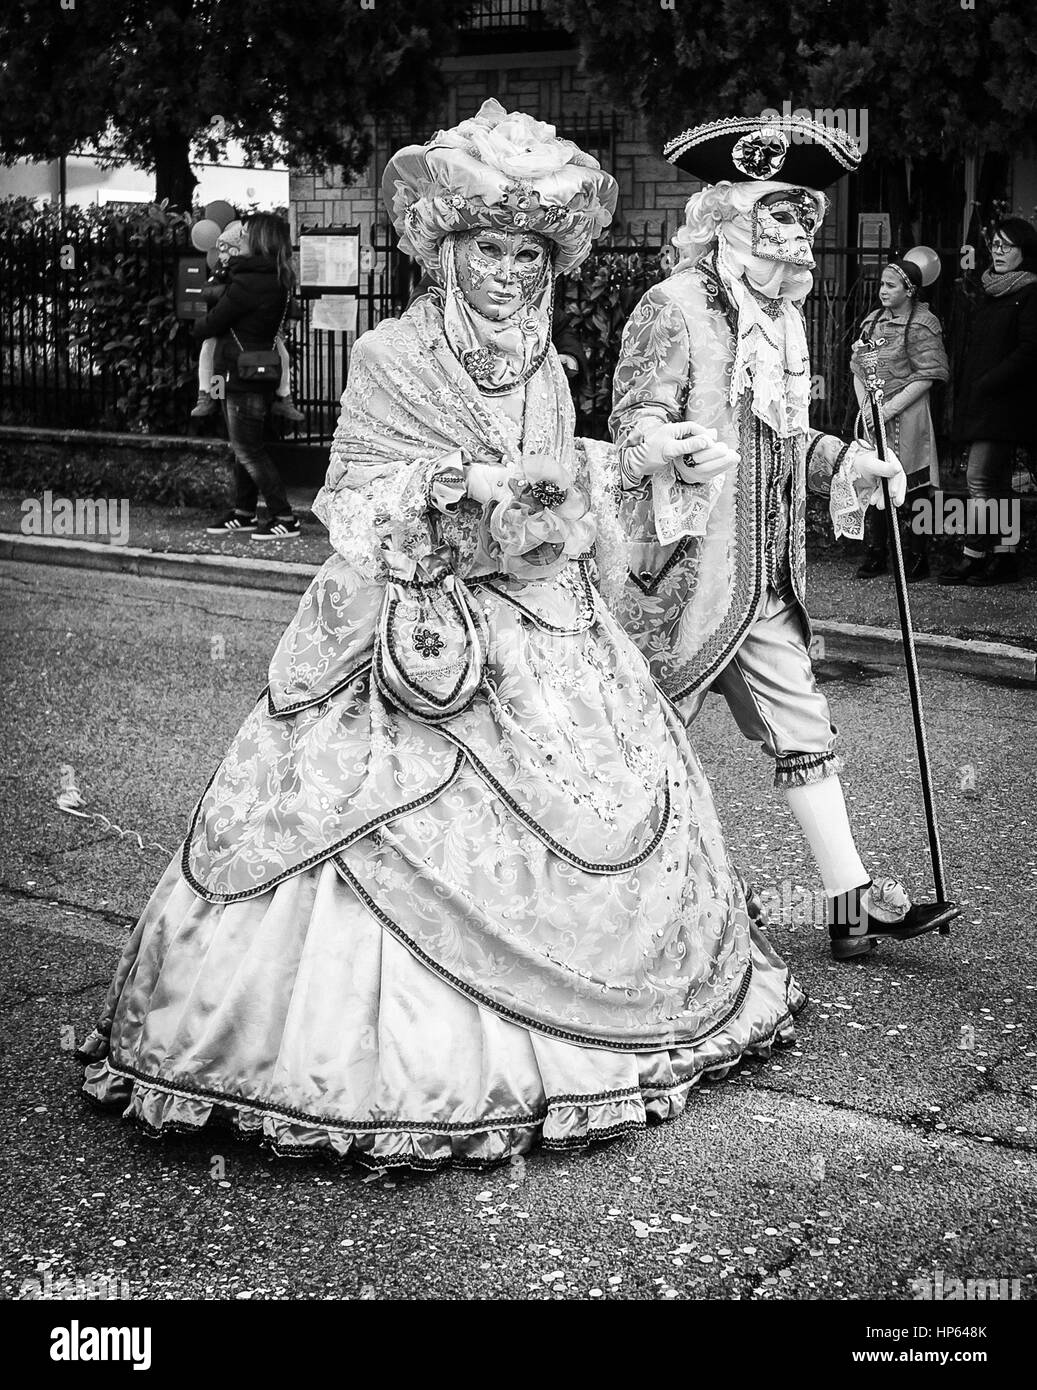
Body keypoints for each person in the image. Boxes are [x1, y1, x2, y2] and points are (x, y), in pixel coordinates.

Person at [77, 101, 805, 1172]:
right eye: (490, 248)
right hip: (416, 637)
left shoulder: (549, 369)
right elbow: (353, 498)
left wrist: (644, 467)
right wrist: (456, 482)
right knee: (353, 821)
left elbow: (567, 482)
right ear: (448, 249)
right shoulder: (387, 354)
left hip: (544, 628)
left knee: (607, 803)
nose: (510, 272)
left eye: (528, 252)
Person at [609, 115, 959, 963]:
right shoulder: (674, 306)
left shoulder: (785, 323)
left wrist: (854, 460)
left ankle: (847, 905)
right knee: (636, 740)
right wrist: (666, 445)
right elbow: (632, 421)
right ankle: (603, 912)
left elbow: (785, 443)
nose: (796, 233)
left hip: (763, 573)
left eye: (804, 217)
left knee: (804, 729)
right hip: (677, 576)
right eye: (778, 213)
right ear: (725, 216)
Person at [939, 216, 1037, 586]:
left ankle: (973, 554)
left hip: (1006, 404)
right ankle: (1004, 555)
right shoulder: (991, 291)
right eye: (994, 244)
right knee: (996, 485)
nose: (997, 251)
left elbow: (1030, 349)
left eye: (1006, 246)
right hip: (982, 401)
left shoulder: (1029, 293)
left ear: (1023, 253)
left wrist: (989, 382)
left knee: (979, 479)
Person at [193, 213, 302, 540]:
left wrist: (201, 323)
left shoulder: (250, 282)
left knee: (248, 449)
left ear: (260, 240)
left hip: (241, 377)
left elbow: (211, 324)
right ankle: (243, 512)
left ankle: (285, 516)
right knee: (245, 446)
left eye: (247, 233)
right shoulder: (275, 277)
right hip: (254, 372)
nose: (241, 237)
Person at [851, 257, 950, 581]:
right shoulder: (873, 322)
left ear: (908, 291)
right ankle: (878, 551)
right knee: (879, 477)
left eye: (890, 285)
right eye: (881, 284)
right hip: (876, 413)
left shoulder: (923, 324)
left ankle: (918, 557)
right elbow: (858, 369)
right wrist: (866, 407)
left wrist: (887, 409)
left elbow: (928, 375)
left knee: (915, 484)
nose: (882, 291)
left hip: (910, 417)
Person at [190, 218, 305, 425]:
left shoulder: (245, 277)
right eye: (222, 251)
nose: (225, 256)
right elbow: (207, 291)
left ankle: (284, 396)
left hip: (237, 358)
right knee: (211, 357)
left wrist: (226, 297)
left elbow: (223, 311)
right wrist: (224, 292)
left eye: (229, 249)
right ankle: (209, 396)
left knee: (280, 356)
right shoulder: (227, 273)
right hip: (233, 354)